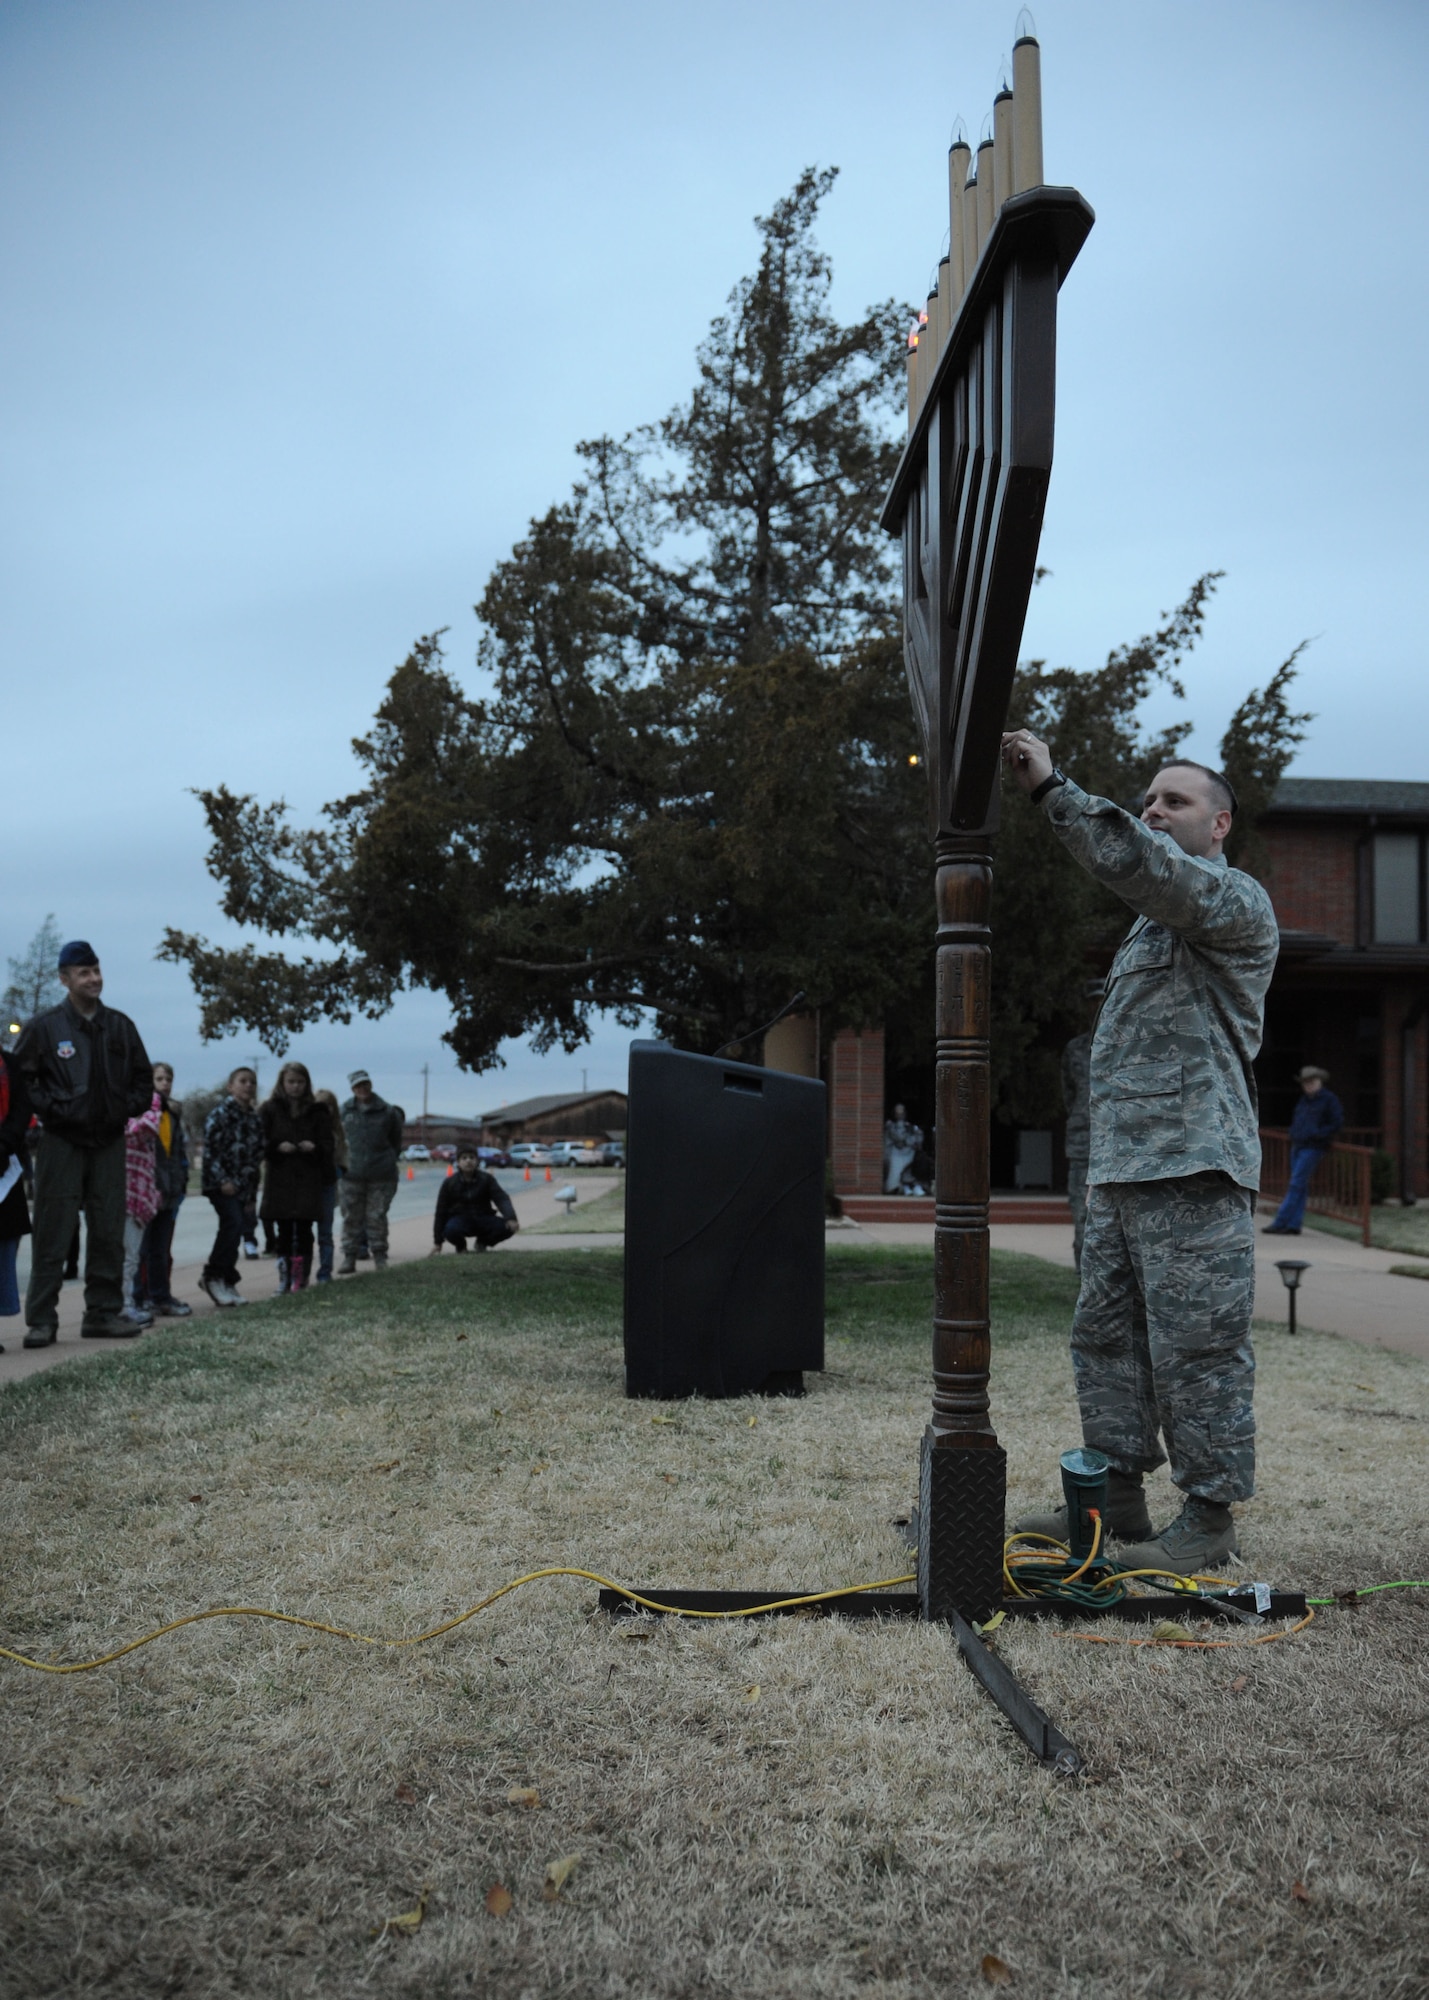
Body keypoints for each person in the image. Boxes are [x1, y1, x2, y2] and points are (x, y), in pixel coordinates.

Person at [1001, 737, 1279, 1574]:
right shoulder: (1147, 929)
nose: (1154, 810)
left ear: (1218, 823)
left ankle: (1206, 1518)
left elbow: (1144, 867)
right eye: (1148, 799)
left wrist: (1052, 789)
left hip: (1193, 1169)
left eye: (1174, 802)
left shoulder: (1230, 900)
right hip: (1119, 1176)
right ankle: (1114, 1495)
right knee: (1106, 1341)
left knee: (1197, 1347)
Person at [13, 939, 154, 1346]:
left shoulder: (121, 1027)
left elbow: (143, 1080)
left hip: (109, 1141)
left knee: (108, 1230)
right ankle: (41, 1320)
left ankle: (103, 1314)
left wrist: (120, 1108)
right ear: (64, 979)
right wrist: (55, 1109)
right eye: (84, 973)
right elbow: (24, 1080)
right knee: (53, 1232)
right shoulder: (44, 1027)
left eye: (96, 970)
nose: (94, 979)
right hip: (61, 1142)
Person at [260, 1062, 336, 1292]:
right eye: (291, 1082)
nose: (295, 1087)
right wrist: (275, 1147)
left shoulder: (317, 1111)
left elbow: (328, 1144)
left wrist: (314, 1148)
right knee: (283, 1231)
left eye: (300, 1082)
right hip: (280, 1179)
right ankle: (283, 1278)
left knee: (304, 1231)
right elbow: (259, 1141)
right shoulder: (270, 1109)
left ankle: (300, 1279)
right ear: (283, 1083)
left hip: (307, 1179)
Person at [200, 1067, 263, 1308]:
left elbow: (255, 1157)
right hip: (221, 1184)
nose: (248, 1086)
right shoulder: (221, 1114)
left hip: (243, 1186)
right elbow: (211, 1152)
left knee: (238, 1228)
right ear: (231, 1086)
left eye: (252, 1082)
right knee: (232, 1224)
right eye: (243, 1081)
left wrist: (250, 1191)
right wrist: (222, 1180)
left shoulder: (254, 1119)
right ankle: (213, 1275)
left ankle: (227, 1279)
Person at [136, 1062, 192, 1318]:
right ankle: (139, 1297)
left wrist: (181, 1183)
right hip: (146, 1192)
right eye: (159, 1079)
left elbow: (178, 1153)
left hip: (169, 1193)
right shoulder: (142, 1114)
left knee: (160, 1250)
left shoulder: (172, 1114)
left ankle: (160, 1296)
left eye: (168, 1078)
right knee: (141, 1250)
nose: (165, 1084)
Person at [1263, 1065, 1344, 1236]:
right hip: (1298, 1144)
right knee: (1300, 1186)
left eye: (1312, 1082)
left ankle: (1280, 1221)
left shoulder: (1329, 1100)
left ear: (1320, 1081)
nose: (1309, 1086)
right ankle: (1294, 1224)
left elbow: (1336, 1123)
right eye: (1306, 1083)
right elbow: (1298, 1120)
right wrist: (1294, 1132)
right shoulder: (1304, 1100)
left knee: (1296, 1183)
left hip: (1313, 1147)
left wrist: (1318, 1135)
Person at [338, 1070, 404, 1274]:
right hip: (352, 1174)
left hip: (381, 1173)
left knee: (376, 1217)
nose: (362, 1089)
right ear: (352, 1089)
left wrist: (388, 1159)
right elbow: (338, 1139)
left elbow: (396, 1140)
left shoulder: (387, 1111)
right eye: (358, 1086)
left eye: (365, 1084)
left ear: (371, 1084)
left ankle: (380, 1256)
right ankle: (350, 1256)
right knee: (351, 1217)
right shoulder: (344, 1111)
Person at [1061, 982, 1103, 1271]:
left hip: (1117, 1144)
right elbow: (1067, 1093)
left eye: (1102, 1000)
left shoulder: (1123, 1045)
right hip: (1081, 1142)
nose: (1097, 1007)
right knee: (1081, 1211)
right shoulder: (1074, 1049)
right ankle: (1082, 1272)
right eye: (1093, 1002)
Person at [0, 1047, 35, 1353]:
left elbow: (22, 1108)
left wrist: (4, 1143)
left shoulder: (9, 1063)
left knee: (4, 1246)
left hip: (4, 1164)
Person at [120, 1085, 162, 1329]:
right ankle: (118, 1305)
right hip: (113, 1187)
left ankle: (125, 1305)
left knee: (130, 1255)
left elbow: (147, 1126)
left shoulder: (149, 1098)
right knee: (116, 1254)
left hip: (138, 1190)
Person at [430, 1146, 519, 1253]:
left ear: (477, 1161)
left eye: (472, 1158)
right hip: (460, 1219)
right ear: (458, 1162)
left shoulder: (487, 1179)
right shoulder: (449, 1183)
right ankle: (461, 1247)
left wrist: (511, 1217)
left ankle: (482, 1243)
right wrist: (437, 1242)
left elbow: (501, 1198)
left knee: (507, 1228)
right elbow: (441, 1211)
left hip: (484, 1218)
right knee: (449, 1230)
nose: (468, 1161)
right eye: (464, 1158)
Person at [313, 1087, 347, 1282]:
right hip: (308, 1185)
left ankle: (325, 1271)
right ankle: (300, 1271)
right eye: (321, 1105)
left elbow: (343, 1153)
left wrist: (341, 1169)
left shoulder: (337, 1131)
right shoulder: (308, 1126)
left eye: (330, 1106)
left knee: (325, 1231)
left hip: (328, 1183)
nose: (326, 1109)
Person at [883, 1104, 924, 1195]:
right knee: (895, 1165)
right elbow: (898, 1139)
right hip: (894, 1153)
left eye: (902, 1113)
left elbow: (917, 1139)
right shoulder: (890, 1126)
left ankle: (910, 1186)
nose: (900, 1115)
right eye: (898, 1113)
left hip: (909, 1152)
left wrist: (910, 1141)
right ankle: (896, 1187)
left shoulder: (911, 1126)